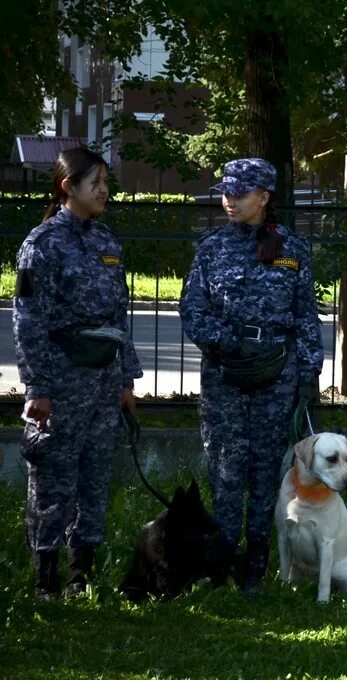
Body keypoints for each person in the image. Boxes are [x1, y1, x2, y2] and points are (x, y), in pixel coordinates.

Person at [180, 158, 323, 592]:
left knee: (264, 471)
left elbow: (305, 317)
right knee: (226, 469)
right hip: (225, 374)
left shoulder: (293, 251)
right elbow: (192, 309)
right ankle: (221, 563)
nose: (229, 201)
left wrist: (308, 375)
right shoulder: (211, 248)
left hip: (277, 375)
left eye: (239, 194)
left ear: (264, 197)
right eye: (225, 193)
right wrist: (226, 343)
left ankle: (256, 568)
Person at [13, 147, 143, 600]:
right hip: (62, 380)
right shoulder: (42, 244)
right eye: (96, 182)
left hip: (105, 382)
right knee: (53, 478)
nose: (105, 190)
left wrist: (127, 379)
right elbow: (29, 321)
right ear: (69, 187)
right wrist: (38, 387)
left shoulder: (107, 242)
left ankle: (79, 577)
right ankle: (46, 579)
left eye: (107, 181)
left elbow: (120, 315)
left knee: (94, 477)